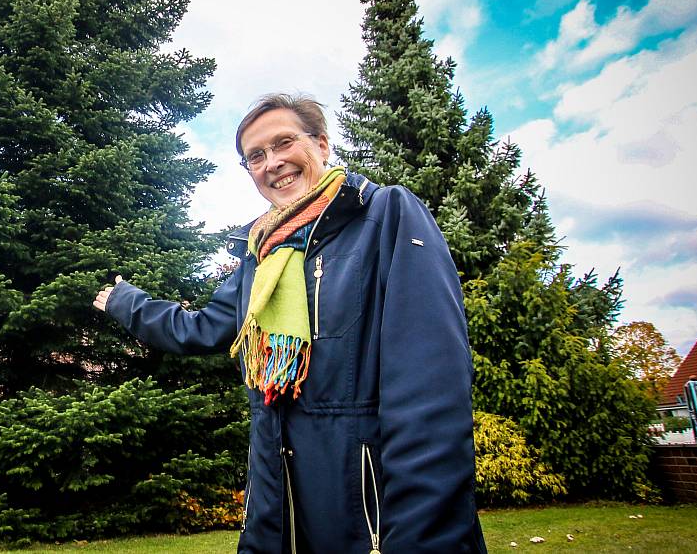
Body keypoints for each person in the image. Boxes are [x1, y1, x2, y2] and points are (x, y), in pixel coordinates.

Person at [93, 94, 486, 553]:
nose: (272, 163)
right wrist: (126, 302)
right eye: (255, 156)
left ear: (321, 144)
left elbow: (429, 384)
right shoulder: (259, 260)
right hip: (276, 505)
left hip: (367, 515)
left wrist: (426, 535)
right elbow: (198, 329)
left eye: (283, 143)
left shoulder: (385, 216)